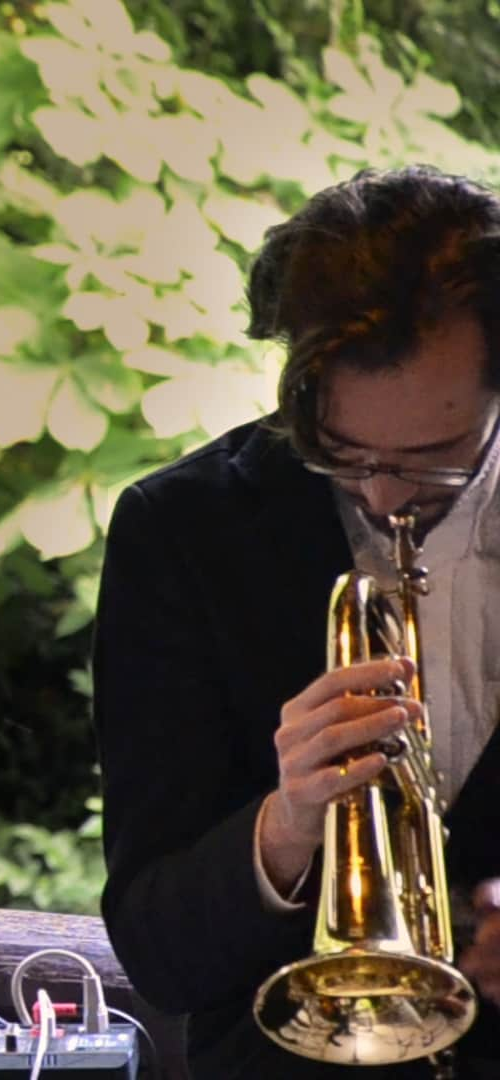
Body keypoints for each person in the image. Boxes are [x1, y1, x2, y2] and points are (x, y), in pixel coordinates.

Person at [94, 164, 500, 1077]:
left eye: (436, 459)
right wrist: (284, 824)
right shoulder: (183, 531)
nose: (385, 492)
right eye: (343, 451)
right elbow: (159, 952)